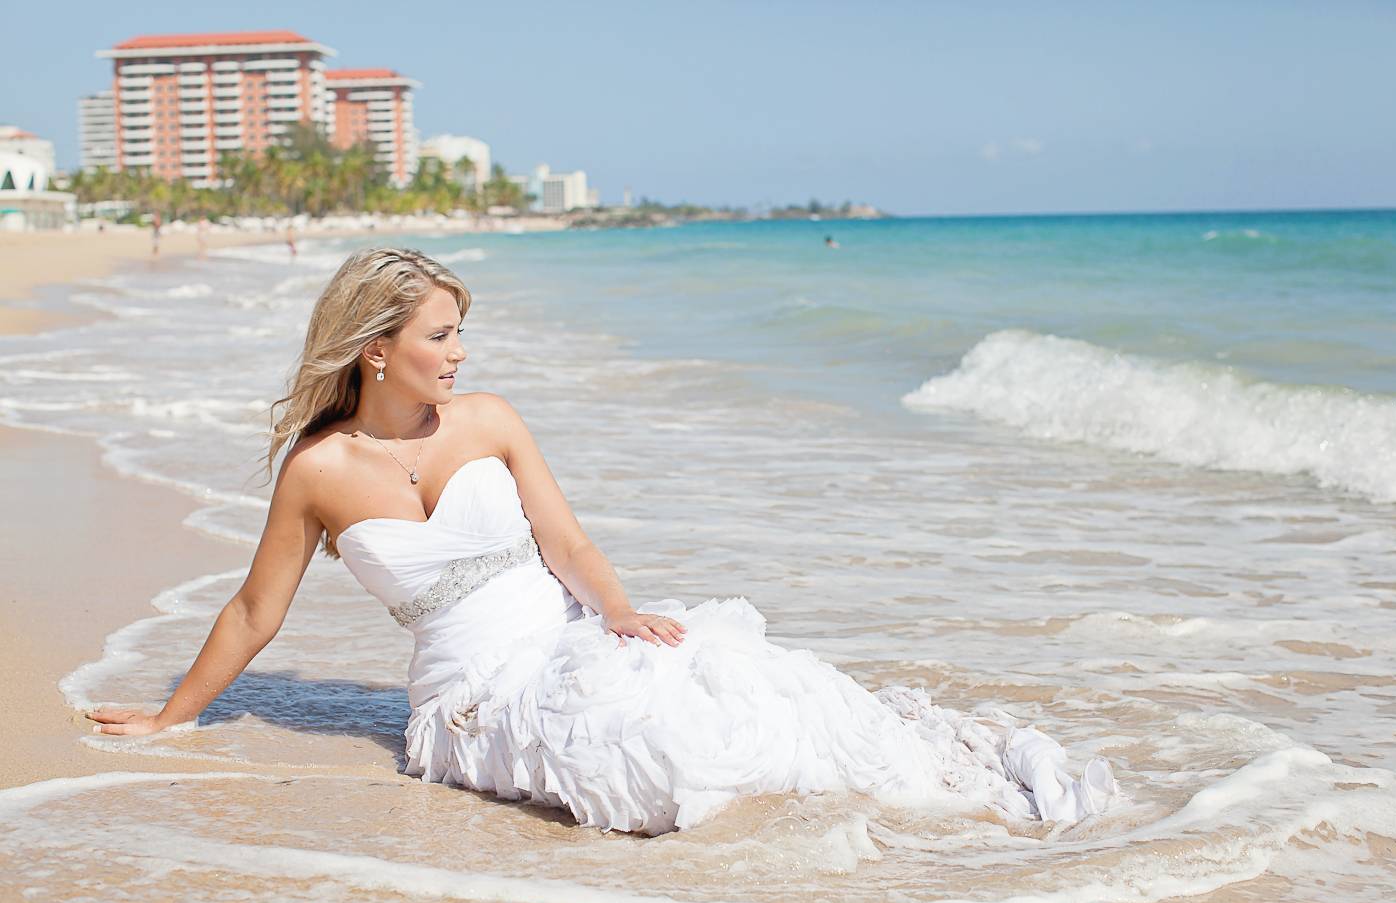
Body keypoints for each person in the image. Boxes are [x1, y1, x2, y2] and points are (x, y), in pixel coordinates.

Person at [87, 248, 1115, 834]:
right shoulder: (316, 472)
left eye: (457, 332)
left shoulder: (488, 419)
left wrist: (617, 612)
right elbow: (255, 609)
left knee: (757, 689)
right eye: (438, 334)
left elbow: (565, 540)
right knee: (659, 765)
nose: (458, 351)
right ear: (376, 351)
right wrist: (174, 716)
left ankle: (955, 801)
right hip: (467, 696)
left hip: (570, 634)